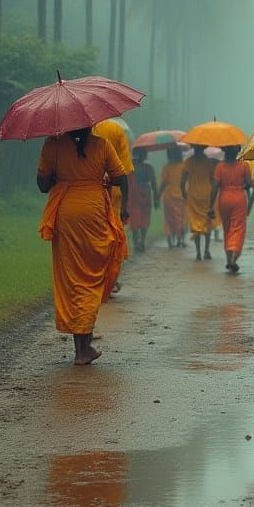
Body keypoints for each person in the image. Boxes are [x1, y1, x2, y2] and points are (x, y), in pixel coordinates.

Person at [37, 126, 127, 365]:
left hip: (66, 211)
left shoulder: (52, 145)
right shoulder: (102, 145)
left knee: (73, 278)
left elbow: (43, 185)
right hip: (94, 210)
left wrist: (59, 175)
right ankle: (83, 347)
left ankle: (82, 347)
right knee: (92, 276)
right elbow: (121, 176)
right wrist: (104, 179)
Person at [93, 119, 134, 290]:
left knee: (95, 236)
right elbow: (124, 170)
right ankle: (110, 279)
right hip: (114, 191)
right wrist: (125, 204)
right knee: (113, 235)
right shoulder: (116, 130)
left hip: (90, 192)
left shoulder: (82, 130)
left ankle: (95, 278)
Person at [209, 145, 254, 273]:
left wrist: (210, 206)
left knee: (227, 228)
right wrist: (243, 185)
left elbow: (215, 187)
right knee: (238, 228)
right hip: (239, 198)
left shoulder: (220, 167)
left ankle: (229, 260)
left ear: (224, 151)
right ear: (238, 151)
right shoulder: (245, 165)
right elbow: (249, 184)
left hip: (224, 199)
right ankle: (233, 258)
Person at [181, 145, 216, 260]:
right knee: (207, 221)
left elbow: (182, 182)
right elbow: (212, 180)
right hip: (207, 194)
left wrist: (185, 195)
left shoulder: (188, 162)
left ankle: (198, 253)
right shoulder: (208, 162)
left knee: (195, 223)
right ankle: (206, 250)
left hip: (193, 195)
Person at [157, 144, 187, 249]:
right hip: (182, 196)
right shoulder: (184, 166)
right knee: (181, 218)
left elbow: (163, 183)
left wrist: (158, 195)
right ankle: (180, 240)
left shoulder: (167, 167)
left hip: (169, 197)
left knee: (169, 219)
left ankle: (170, 241)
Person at [128, 147, 157, 253]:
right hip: (145, 193)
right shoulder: (148, 167)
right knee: (144, 217)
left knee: (134, 217)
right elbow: (153, 184)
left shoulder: (130, 166)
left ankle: (136, 241)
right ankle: (142, 241)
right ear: (145, 154)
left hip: (133, 194)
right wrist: (157, 198)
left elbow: (126, 182)